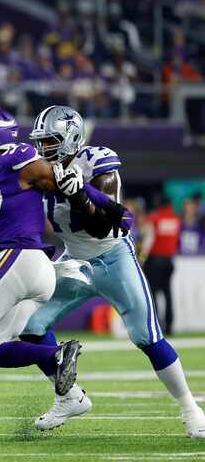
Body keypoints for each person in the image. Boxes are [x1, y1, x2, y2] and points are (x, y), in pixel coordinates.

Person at [0, 107, 126, 444]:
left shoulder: (16, 158)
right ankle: (54, 358)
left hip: (18, 257)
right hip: (23, 267)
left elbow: (62, 178)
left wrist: (106, 203)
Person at [20, 105, 205, 439]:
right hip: (74, 260)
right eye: (41, 141)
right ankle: (68, 396)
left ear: (71, 139)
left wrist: (79, 194)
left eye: (50, 141)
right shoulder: (40, 170)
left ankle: (191, 408)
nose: (42, 148)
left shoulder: (97, 163)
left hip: (112, 256)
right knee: (30, 326)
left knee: (146, 336)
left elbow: (105, 225)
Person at [141, 197, 181, 336]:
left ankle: (156, 325)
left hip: (155, 260)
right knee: (168, 293)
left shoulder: (154, 218)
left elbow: (149, 239)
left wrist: (142, 257)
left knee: (152, 294)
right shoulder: (176, 218)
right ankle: (169, 325)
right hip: (169, 260)